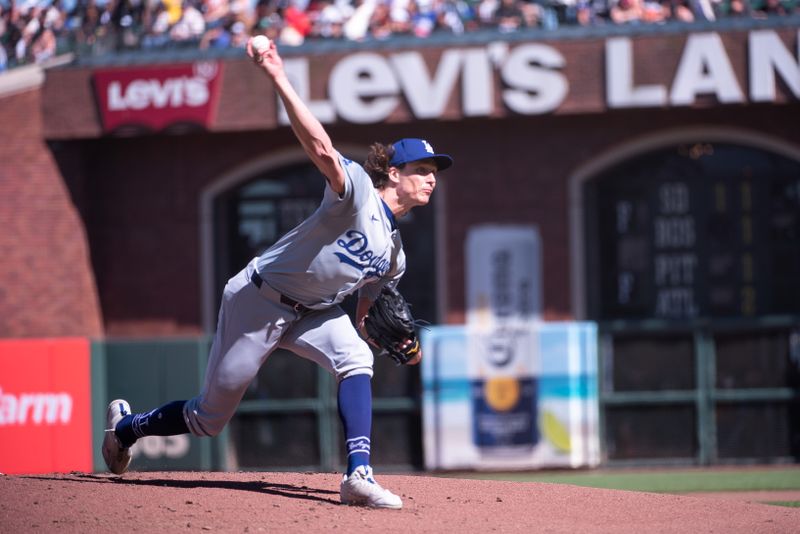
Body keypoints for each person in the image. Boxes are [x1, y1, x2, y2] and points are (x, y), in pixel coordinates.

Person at [101, 35, 454, 510]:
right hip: (259, 299)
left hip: (314, 311)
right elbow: (323, 149)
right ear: (393, 172)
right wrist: (277, 76)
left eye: (435, 170)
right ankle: (126, 428)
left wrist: (369, 324)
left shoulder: (395, 253)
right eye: (422, 167)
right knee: (209, 419)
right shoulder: (357, 197)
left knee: (357, 361)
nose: (432, 176)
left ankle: (358, 475)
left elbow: (371, 294)